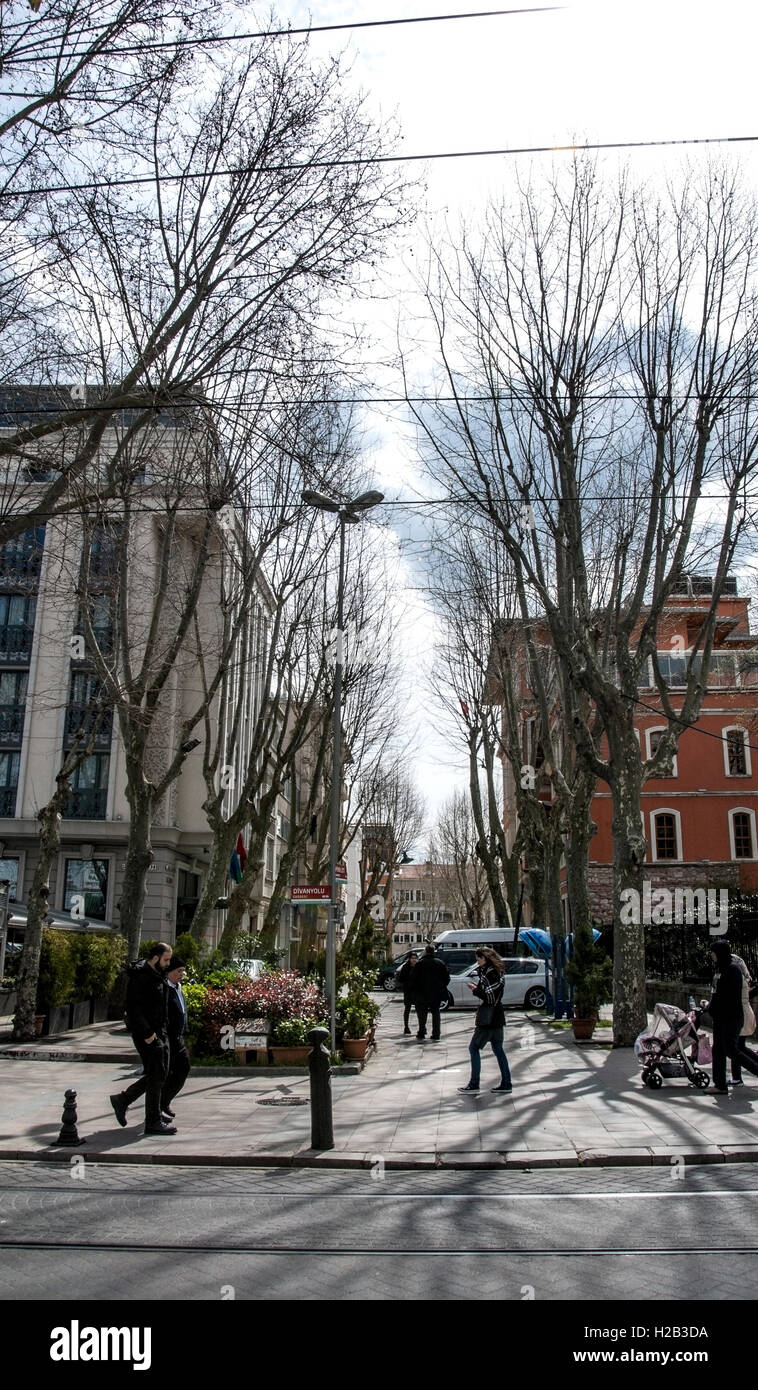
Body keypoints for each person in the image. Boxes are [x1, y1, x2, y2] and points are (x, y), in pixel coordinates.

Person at [110, 941, 176, 1135]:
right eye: (166, 959)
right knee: (157, 1074)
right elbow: (133, 1009)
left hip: (160, 1031)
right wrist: (148, 1034)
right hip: (147, 1034)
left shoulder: (158, 974)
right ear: (155, 958)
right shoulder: (140, 977)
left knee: (160, 1073)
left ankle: (125, 1101)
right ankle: (152, 1120)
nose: (167, 963)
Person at [705, 939, 758, 1094]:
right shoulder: (720, 969)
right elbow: (716, 993)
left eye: (713, 952)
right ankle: (720, 1084)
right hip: (720, 1017)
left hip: (730, 1017)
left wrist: (717, 1007)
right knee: (719, 1050)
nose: (712, 955)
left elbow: (730, 996)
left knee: (732, 1050)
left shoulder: (732, 970)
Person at [458, 949, 513, 1093]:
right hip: (498, 1016)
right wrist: (478, 988)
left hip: (489, 1018)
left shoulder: (489, 973)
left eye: (478, 959)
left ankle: (474, 1083)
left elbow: (489, 997)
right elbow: (493, 993)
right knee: (498, 1050)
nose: (477, 963)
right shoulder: (498, 971)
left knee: (474, 1048)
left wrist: (475, 990)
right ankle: (506, 1082)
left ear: (484, 958)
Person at [162, 955, 191, 1118]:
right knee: (166, 1072)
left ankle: (164, 1101)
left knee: (182, 1068)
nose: (182, 974)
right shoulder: (165, 988)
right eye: (179, 971)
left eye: (183, 971)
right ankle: (161, 1103)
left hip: (178, 1036)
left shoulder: (177, 987)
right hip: (169, 1037)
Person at [728, 952, 757, 1086]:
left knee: (737, 1047)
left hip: (741, 1015)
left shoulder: (736, 978)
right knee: (739, 1046)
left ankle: (737, 1077)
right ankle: (737, 1077)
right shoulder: (744, 978)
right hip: (745, 1013)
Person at [412, 945, 450, 1042]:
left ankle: (422, 1032)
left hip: (422, 993)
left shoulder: (420, 964)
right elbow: (447, 978)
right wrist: (441, 986)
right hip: (436, 993)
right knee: (436, 1012)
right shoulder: (440, 963)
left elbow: (414, 979)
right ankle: (436, 1033)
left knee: (422, 1014)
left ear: (425, 952)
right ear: (434, 952)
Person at [395, 952, 419, 1035]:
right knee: (407, 1009)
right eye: (412, 958)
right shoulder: (405, 967)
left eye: (415, 958)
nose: (414, 960)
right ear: (409, 959)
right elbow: (401, 979)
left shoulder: (419, 967)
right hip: (408, 991)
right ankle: (406, 1027)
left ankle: (421, 1028)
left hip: (417, 991)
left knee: (419, 1009)